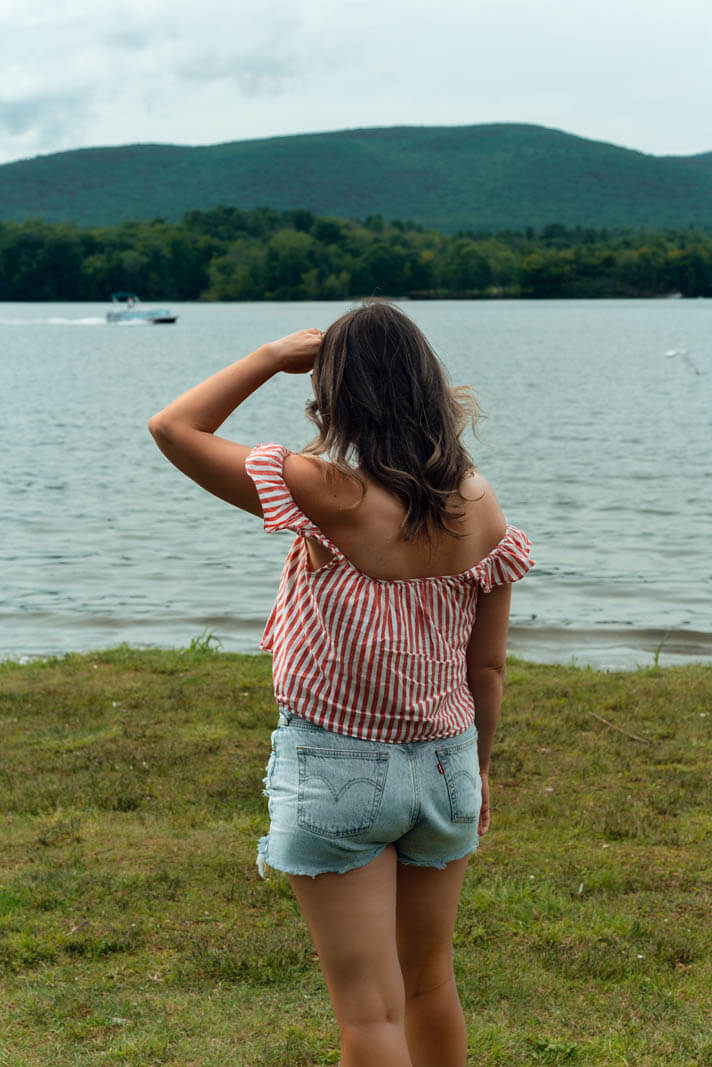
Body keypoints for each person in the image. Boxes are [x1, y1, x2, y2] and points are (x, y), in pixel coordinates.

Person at [148, 301, 533, 1067]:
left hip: (338, 765)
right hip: (448, 763)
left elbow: (174, 428)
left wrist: (270, 354)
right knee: (428, 983)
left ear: (334, 397)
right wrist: (478, 770)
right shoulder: (480, 505)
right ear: (431, 389)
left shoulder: (323, 492)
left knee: (369, 1011)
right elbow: (484, 669)